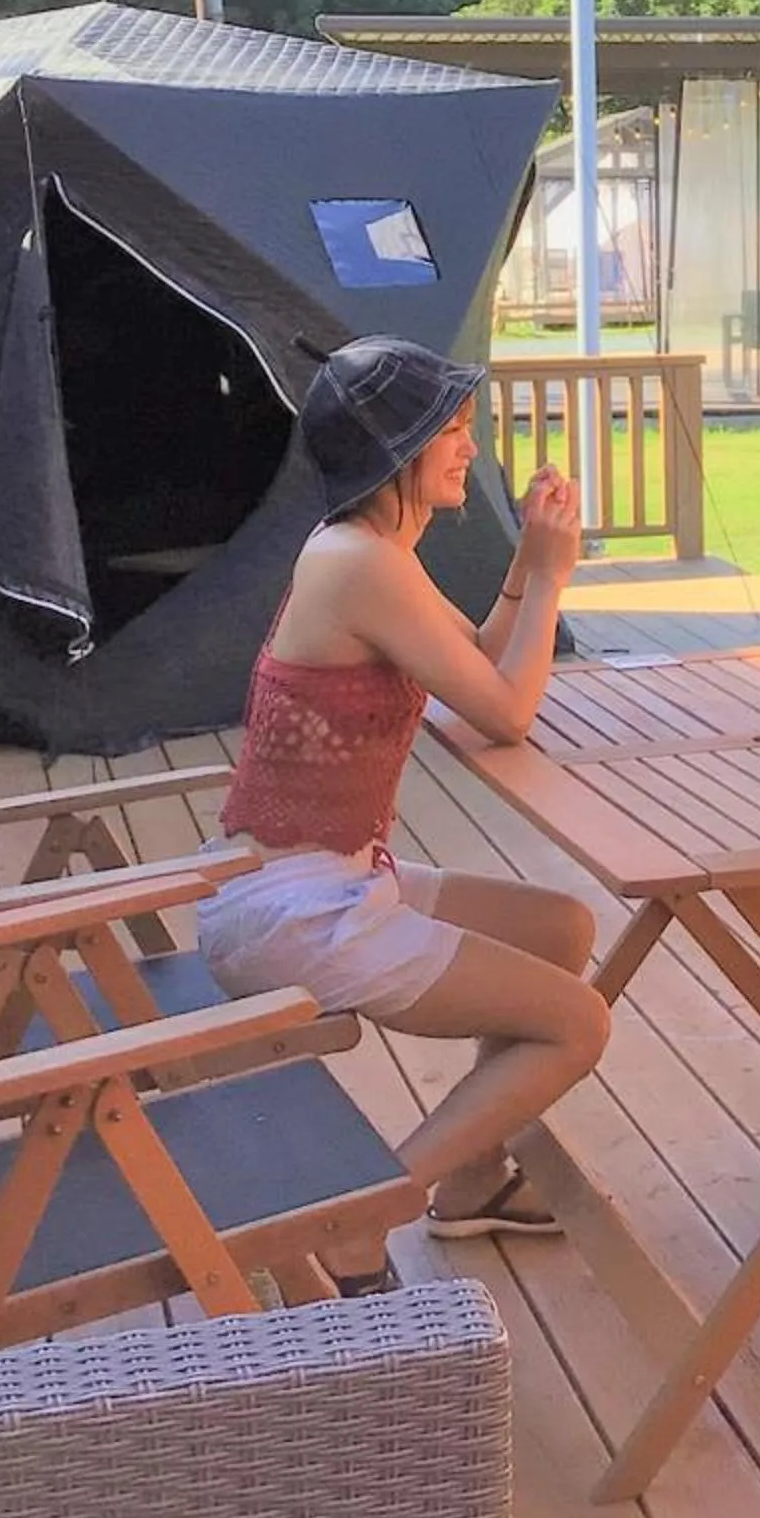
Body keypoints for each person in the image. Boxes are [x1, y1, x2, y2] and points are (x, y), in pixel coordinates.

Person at [195, 335, 606, 1267]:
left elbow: (480, 665)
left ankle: (469, 1181)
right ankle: (365, 1212)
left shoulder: (368, 552)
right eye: (453, 431)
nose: (470, 448)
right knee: (580, 1024)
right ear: (400, 451)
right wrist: (547, 573)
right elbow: (505, 711)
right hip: (300, 911)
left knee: (561, 930)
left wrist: (525, 570)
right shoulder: (357, 561)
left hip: (327, 878)